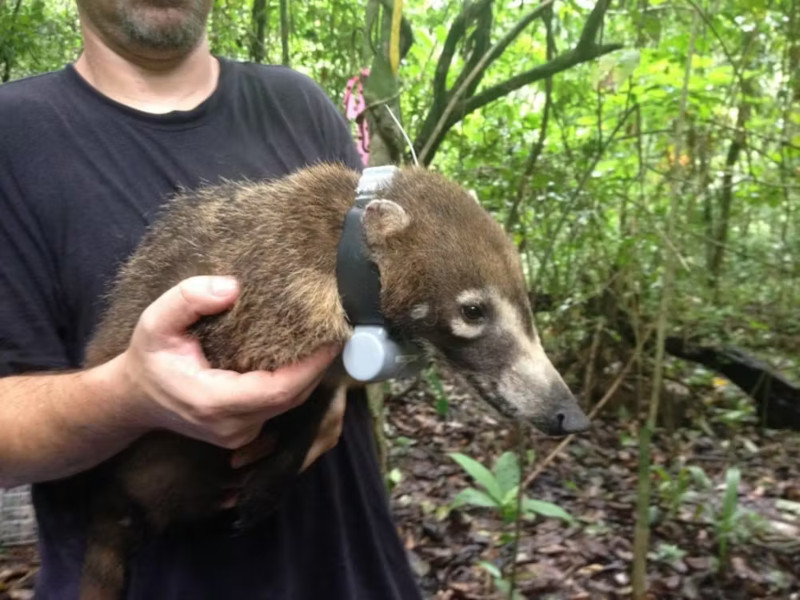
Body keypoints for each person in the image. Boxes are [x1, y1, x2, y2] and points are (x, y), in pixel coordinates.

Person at [0, 0, 422, 597]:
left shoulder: (299, 103)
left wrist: (340, 379)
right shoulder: (14, 135)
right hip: (144, 566)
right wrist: (129, 396)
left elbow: (384, 323)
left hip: (346, 564)